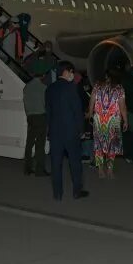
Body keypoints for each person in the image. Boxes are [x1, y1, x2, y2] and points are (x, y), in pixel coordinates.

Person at [45, 61, 89, 200]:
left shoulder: (49, 89)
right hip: (71, 132)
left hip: (55, 132)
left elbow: (48, 112)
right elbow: (77, 110)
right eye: (71, 72)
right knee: (75, 162)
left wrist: (49, 131)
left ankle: (57, 194)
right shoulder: (71, 88)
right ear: (66, 72)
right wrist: (81, 130)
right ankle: (77, 191)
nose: (72, 75)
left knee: (56, 164)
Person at [87, 72, 128, 179]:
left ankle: (100, 170)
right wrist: (125, 120)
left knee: (99, 145)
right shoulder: (119, 89)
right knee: (112, 145)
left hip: (99, 120)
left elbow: (91, 101)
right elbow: (122, 106)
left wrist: (91, 115)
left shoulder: (97, 86)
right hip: (113, 120)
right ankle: (109, 169)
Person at [23, 72, 49, 177]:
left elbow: (25, 102)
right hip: (40, 117)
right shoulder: (43, 87)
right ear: (42, 76)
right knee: (40, 144)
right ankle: (39, 170)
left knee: (29, 143)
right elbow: (45, 103)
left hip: (30, 117)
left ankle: (27, 169)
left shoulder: (26, 87)